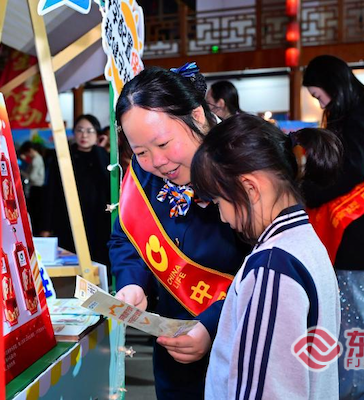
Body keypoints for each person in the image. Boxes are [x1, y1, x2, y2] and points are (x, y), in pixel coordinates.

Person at [110, 64, 250, 399]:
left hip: (241, 346)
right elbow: (126, 235)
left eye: (163, 143)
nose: (156, 161)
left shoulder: (246, 164)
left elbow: (268, 268)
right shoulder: (145, 174)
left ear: (197, 116)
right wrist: (132, 282)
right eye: (141, 152)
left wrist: (213, 324)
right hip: (173, 347)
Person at [189, 114, 341, 399]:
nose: (222, 217)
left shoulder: (273, 266)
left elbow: (265, 389)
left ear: (250, 188)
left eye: (219, 201)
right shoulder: (304, 242)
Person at [302, 55, 364, 400]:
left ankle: (363, 392)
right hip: (354, 230)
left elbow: (352, 171)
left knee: (357, 318)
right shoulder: (356, 112)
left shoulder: (363, 115)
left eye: (319, 96)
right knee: (349, 318)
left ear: (334, 86)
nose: (320, 104)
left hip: (357, 230)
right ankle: (351, 389)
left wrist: (308, 193)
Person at [42, 114, 111, 267]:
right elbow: (50, 192)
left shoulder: (104, 157)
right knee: (71, 262)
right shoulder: (63, 157)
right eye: (80, 130)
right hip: (68, 220)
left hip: (98, 221)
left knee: (98, 263)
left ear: (98, 134)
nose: (84, 135)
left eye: (90, 131)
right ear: (73, 132)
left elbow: (109, 184)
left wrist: (100, 149)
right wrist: (46, 227)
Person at [19, 141, 45, 235]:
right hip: (36, 188)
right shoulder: (37, 159)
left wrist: (21, 172)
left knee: (35, 213)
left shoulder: (36, 160)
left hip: (37, 188)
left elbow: (32, 177)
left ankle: (37, 232)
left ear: (30, 151)